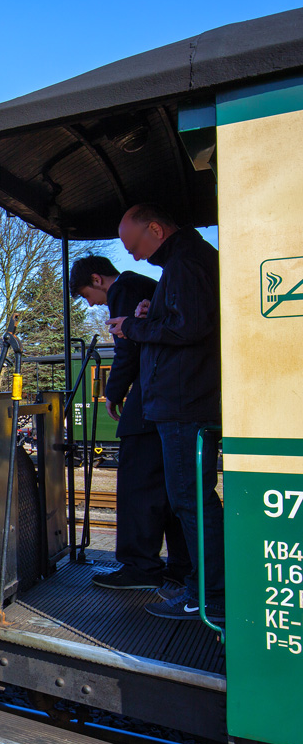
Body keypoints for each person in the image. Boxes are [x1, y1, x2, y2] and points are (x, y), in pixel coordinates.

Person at [107, 203, 224, 621]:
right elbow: (185, 319)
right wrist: (151, 312)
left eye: (134, 245)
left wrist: (133, 327)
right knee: (191, 500)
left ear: (155, 229)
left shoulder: (185, 263)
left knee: (191, 502)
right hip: (185, 399)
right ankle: (203, 588)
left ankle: (211, 596)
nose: (134, 256)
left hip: (183, 402)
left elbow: (189, 329)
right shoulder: (189, 262)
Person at [69, 255, 190, 590]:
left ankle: (140, 566)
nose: (91, 303)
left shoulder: (124, 288)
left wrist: (113, 391)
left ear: (96, 279)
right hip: (167, 398)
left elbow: (127, 348)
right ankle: (182, 565)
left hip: (151, 401)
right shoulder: (144, 285)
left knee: (137, 487)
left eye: (85, 294)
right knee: (169, 490)